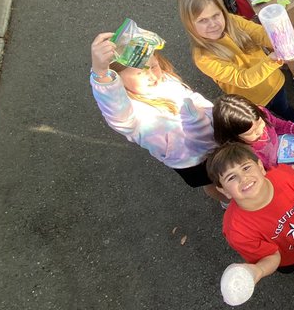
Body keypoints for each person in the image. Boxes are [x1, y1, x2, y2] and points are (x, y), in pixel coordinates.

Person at [88, 31, 218, 198]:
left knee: (230, 171)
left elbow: (191, 96)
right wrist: (100, 73)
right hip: (191, 160)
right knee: (211, 184)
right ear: (118, 79)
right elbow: (114, 107)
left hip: (214, 137)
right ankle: (227, 203)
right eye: (140, 72)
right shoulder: (131, 114)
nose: (152, 75)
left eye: (154, 66)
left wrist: (212, 113)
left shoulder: (164, 80)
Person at [210, 142, 294, 289]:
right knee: (293, 263)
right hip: (288, 257)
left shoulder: (283, 175)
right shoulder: (236, 229)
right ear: (224, 191)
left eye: (246, 167)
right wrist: (258, 270)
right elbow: (270, 256)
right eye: (231, 178)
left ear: (260, 167)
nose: (243, 178)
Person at [178, 0, 294, 125]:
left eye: (216, 15)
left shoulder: (232, 21)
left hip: (273, 82)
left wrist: (281, 41)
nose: (213, 24)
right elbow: (242, 79)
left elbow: (259, 33)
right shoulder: (203, 57)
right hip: (252, 100)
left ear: (222, 11)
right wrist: (273, 60)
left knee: (284, 108)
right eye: (203, 20)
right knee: (266, 123)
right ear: (190, 25)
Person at [212, 93, 294, 173]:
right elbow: (263, 177)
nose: (260, 131)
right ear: (232, 136)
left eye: (260, 123)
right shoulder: (242, 155)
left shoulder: (261, 112)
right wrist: (293, 170)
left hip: (287, 159)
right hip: (279, 177)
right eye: (251, 132)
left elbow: (277, 124)